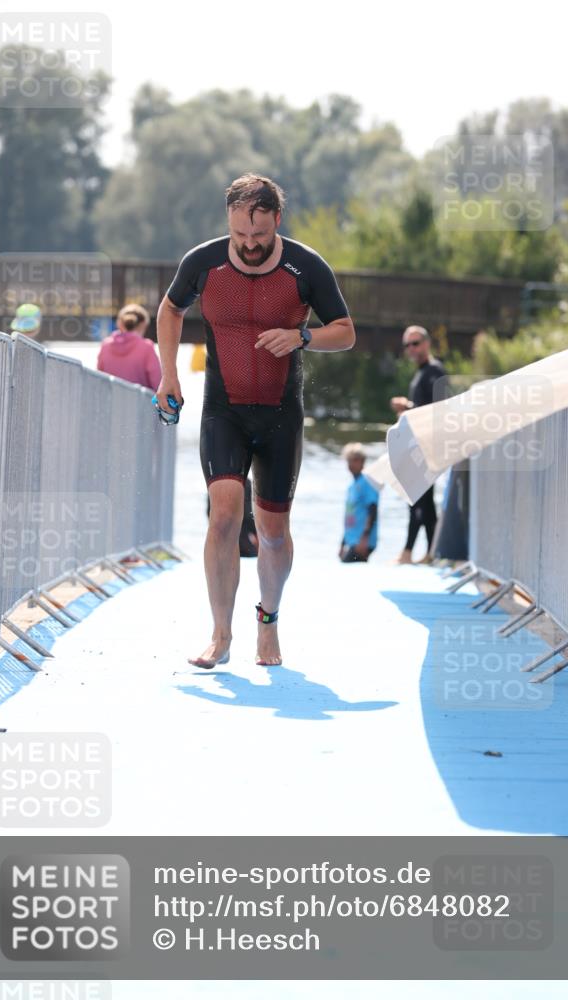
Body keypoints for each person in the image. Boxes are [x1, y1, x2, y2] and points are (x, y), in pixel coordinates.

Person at [155, 173, 355, 667]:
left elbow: (346, 332)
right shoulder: (202, 262)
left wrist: (302, 338)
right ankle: (220, 635)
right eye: (240, 235)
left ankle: (268, 622)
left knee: (271, 532)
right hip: (223, 410)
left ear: (276, 221)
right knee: (223, 513)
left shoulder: (305, 267)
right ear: (229, 220)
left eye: (259, 236)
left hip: (281, 415)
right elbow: (169, 310)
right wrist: (168, 375)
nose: (248, 245)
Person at [390, 325, 447, 564]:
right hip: (418, 446)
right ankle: (431, 552)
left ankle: (409, 552)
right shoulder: (422, 372)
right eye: (407, 345)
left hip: (428, 446)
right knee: (422, 500)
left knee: (418, 499)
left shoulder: (434, 370)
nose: (411, 349)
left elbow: (439, 408)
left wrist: (408, 408)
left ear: (426, 344)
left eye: (415, 343)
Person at [97, 303, 161, 391]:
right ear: (142, 325)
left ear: (119, 324)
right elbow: (157, 382)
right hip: (139, 402)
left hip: (110, 401)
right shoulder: (147, 347)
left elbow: (99, 376)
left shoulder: (105, 345)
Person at [339, 443, 379, 563]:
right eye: (349, 460)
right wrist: (342, 543)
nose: (351, 464)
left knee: (347, 566)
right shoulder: (352, 486)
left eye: (355, 460)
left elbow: (373, 510)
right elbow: (350, 515)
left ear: (363, 461)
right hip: (351, 539)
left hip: (363, 540)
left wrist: (365, 537)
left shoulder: (367, 482)